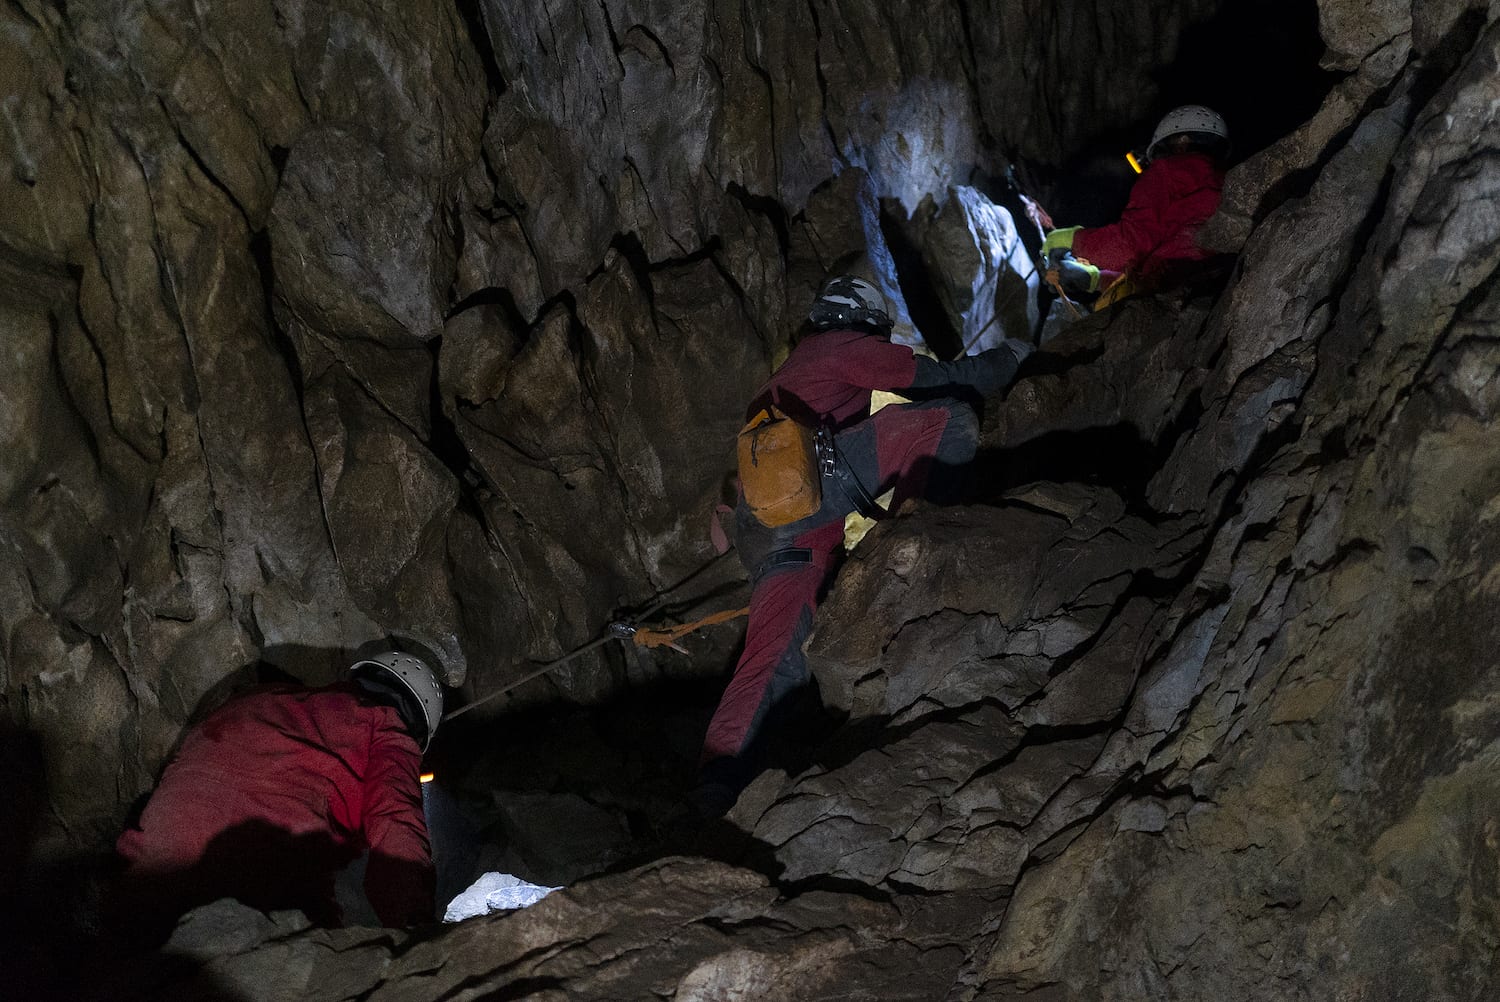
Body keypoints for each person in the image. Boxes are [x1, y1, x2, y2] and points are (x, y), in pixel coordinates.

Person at [694, 276, 1032, 815]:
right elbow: (933, 377)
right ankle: (915, 535)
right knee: (946, 418)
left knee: (772, 658)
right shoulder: (839, 347)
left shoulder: (784, 377)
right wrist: (1011, 357)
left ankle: (718, 782)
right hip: (812, 501)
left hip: (765, 532)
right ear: (863, 322)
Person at [112, 648, 444, 941]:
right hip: (253, 880)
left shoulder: (266, 695)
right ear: (417, 723)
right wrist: (415, 928)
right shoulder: (389, 732)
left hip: (149, 863)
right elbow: (395, 822)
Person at [1042, 105, 1230, 307]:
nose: (1156, 161)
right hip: (1212, 291)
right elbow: (1159, 267)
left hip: (1174, 298)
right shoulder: (1225, 183)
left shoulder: (1168, 171)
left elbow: (1132, 244)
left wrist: (1071, 239)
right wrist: (1095, 279)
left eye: (1161, 150)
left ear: (1181, 141)